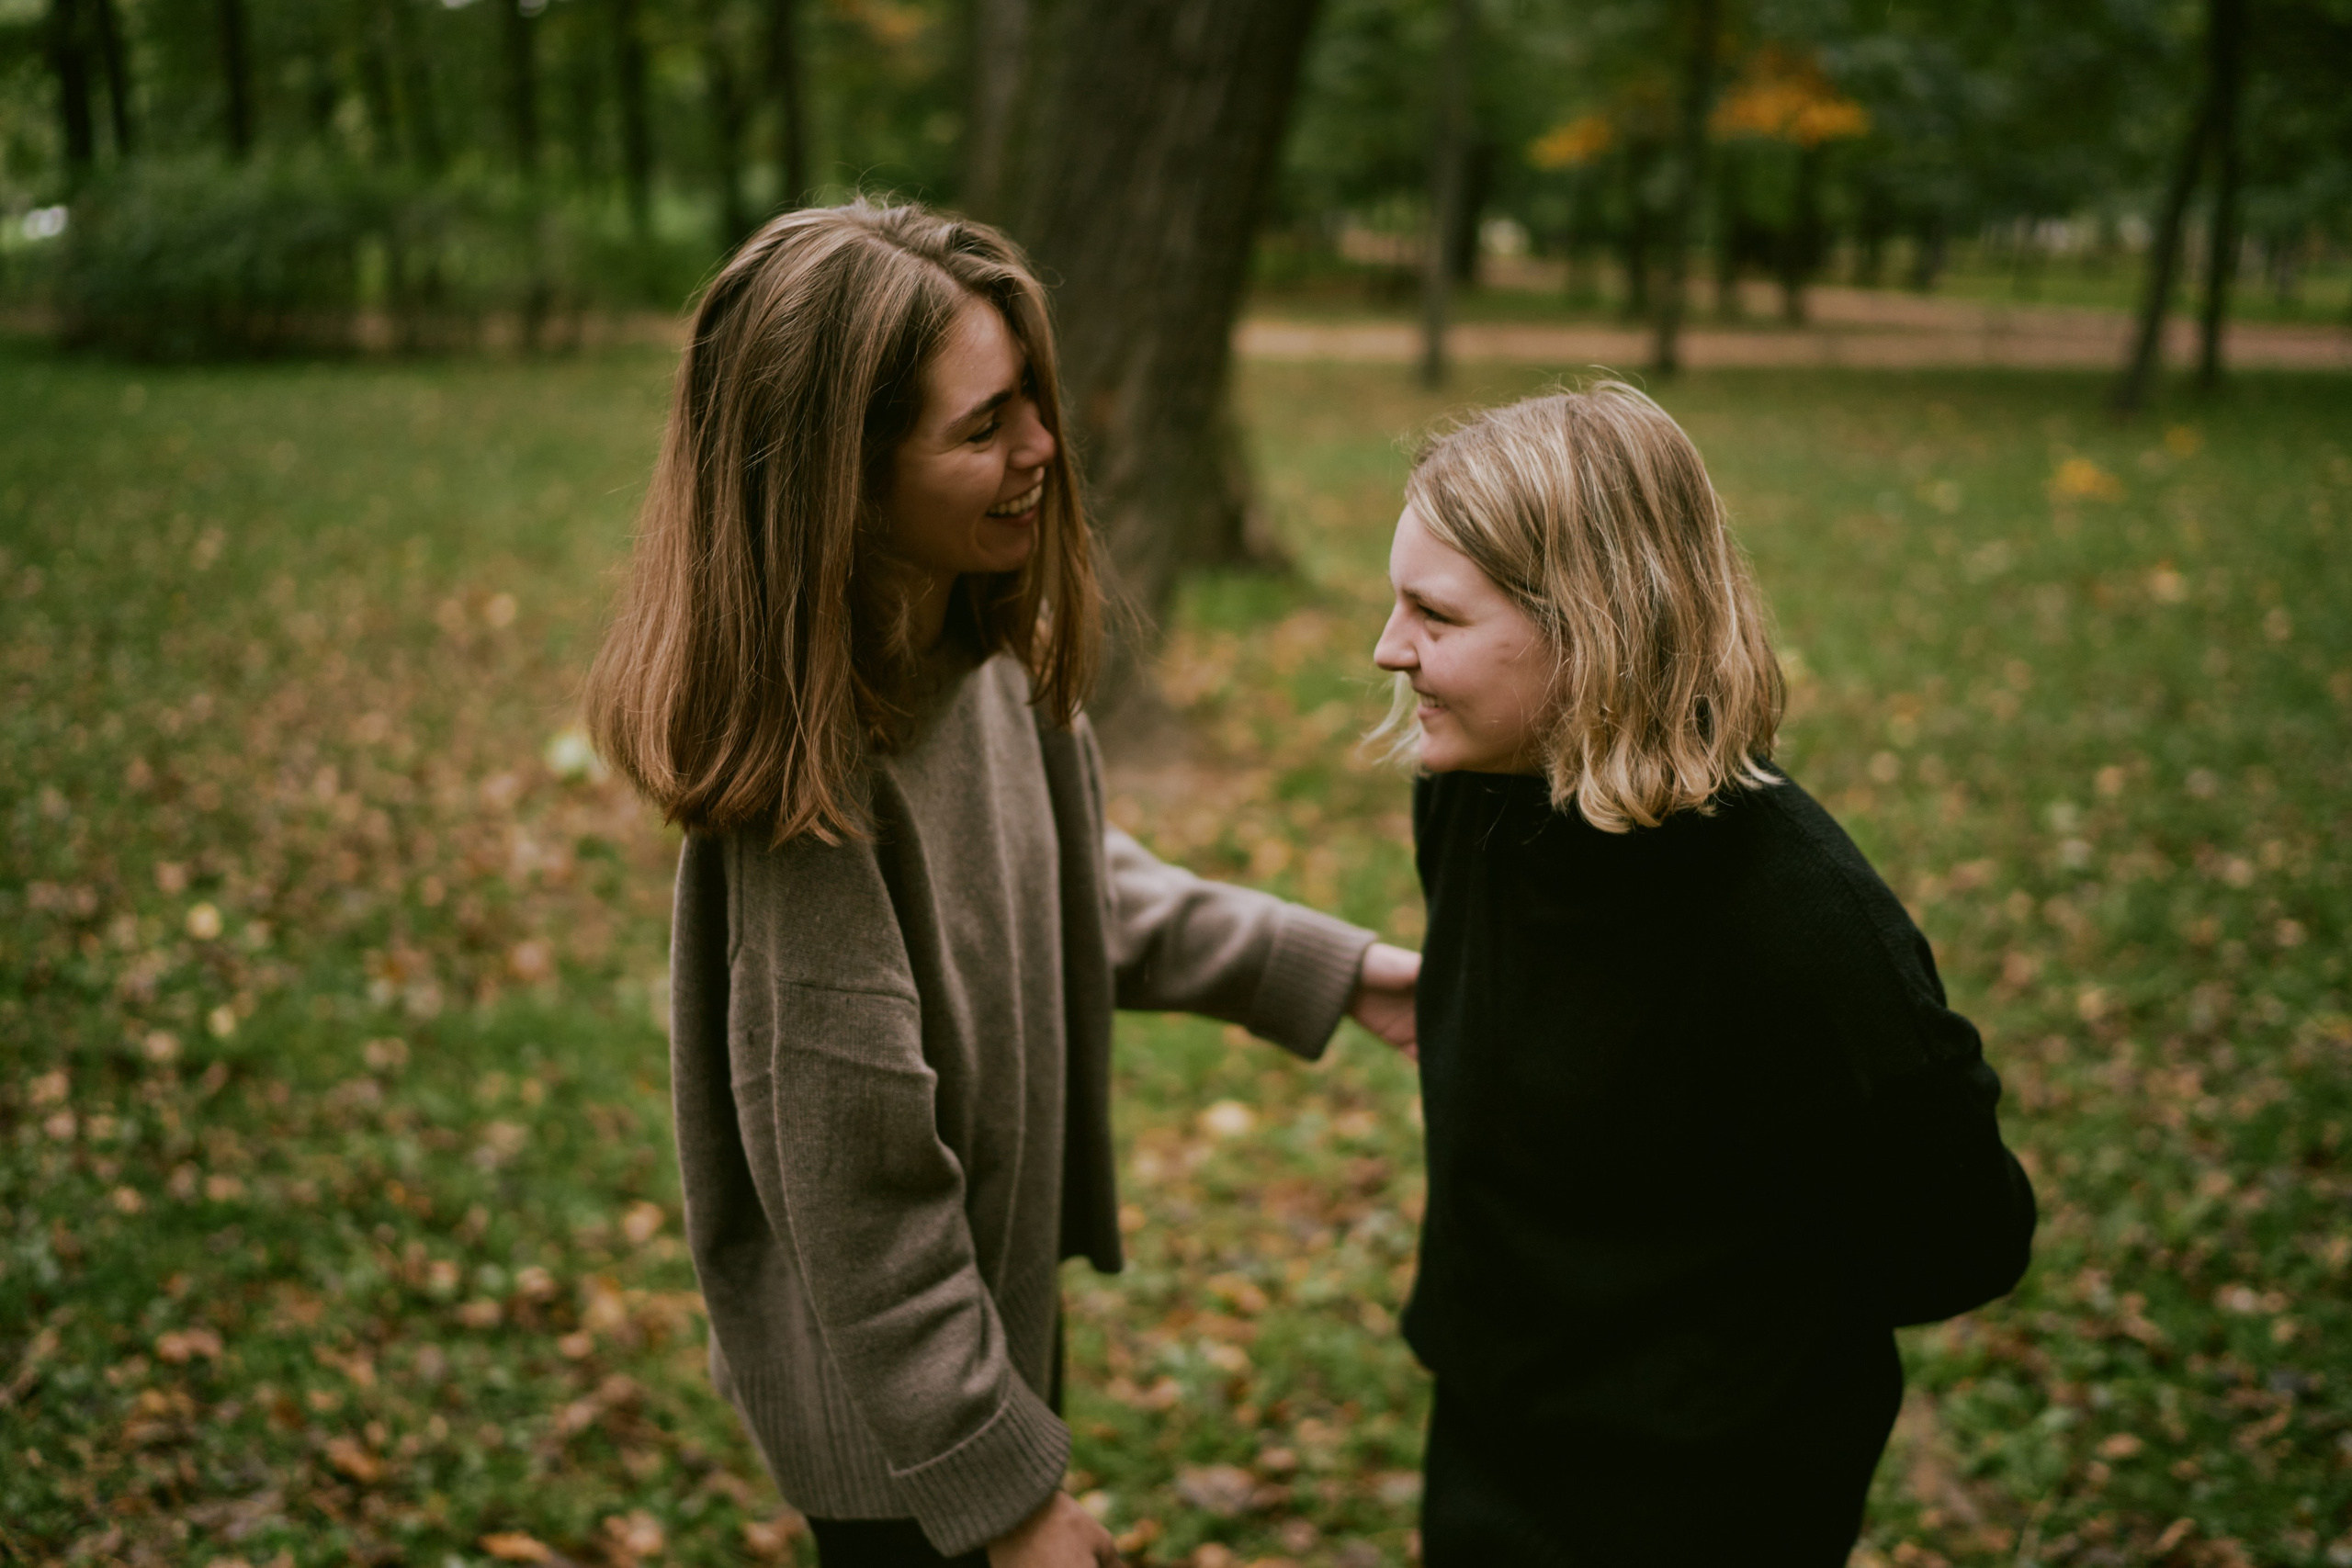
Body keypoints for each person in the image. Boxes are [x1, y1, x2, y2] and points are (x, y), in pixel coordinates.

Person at [583, 199, 1419, 1568]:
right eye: (982, 427)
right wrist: (1005, 1494)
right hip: (905, 1436)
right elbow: (865, 1208)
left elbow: (1067, 885)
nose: (1041, 446)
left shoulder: (975, 666)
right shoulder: (814, 810)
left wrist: (1334, 970)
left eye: (1030, 397)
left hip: (979, 1351)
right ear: (842, 483)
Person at [1369, 384, 2036, 1566]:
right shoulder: (1470, 801)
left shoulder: (1801, 926)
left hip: (1706, 1497)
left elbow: (1965, 1234)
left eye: (1434, 613)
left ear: (1595, 626)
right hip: (1489, 1440)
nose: (1389, 647)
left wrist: (1714, 1345)